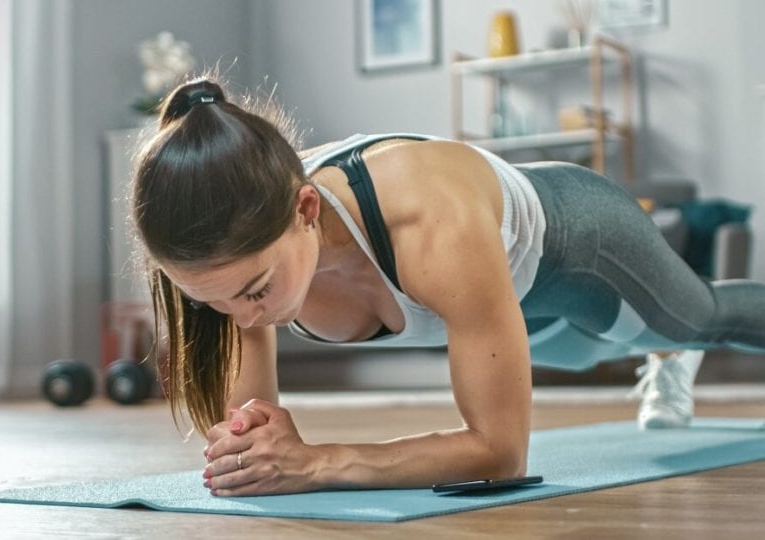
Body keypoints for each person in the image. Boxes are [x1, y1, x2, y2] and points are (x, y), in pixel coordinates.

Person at [131, 78, 765, 496]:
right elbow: (258, 435)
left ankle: (671, 345)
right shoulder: (228, 254)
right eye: (208, 302)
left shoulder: (427, 218)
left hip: (581, 246)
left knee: (695, 318)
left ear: (305, 211)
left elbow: (500, 453)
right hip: (511, 307)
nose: (240, 322)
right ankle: (657, 353)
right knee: (592, 351)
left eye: (255, 292)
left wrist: (318, 462)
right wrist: (252, 452)